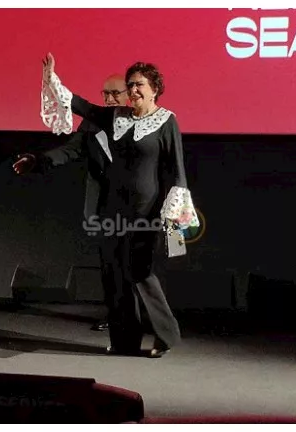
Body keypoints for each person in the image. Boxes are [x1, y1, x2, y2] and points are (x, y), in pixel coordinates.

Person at [16, 54, 199, 358]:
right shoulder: (116, 117)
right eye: (131, 85)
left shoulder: (166, 121)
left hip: (146, 212)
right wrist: (52, 81)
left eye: (139, 85)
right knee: (113, 274)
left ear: (154, 88)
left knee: (140, 272)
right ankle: (124, 340)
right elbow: (81, 106)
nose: (134, 90)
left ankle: (166, 336)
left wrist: (175, 218)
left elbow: (176, 170)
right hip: (112, 210)